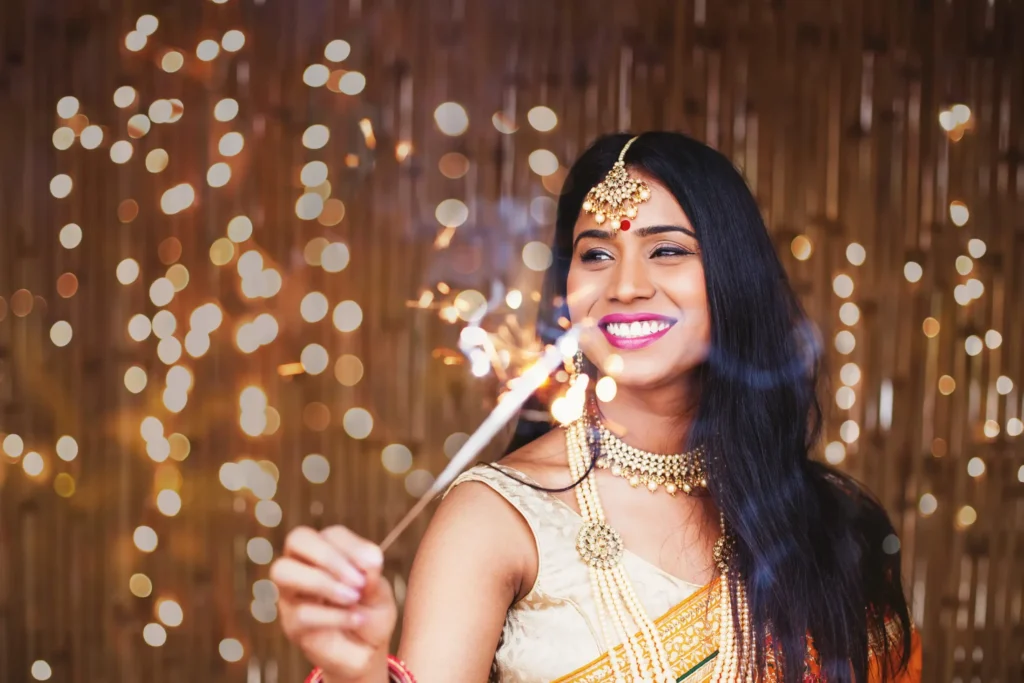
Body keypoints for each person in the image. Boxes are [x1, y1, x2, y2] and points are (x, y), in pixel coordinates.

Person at [270, 132, 922, 683]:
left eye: (667, 249)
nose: (626, 286)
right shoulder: (497, 519)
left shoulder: (830, 520)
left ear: (734, 275)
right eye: (596, 254)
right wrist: (358, 673)